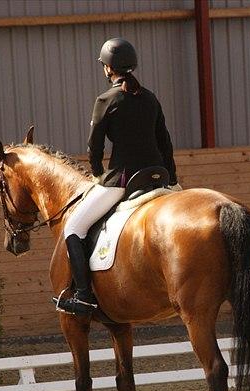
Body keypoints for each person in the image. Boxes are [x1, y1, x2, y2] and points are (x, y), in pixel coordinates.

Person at [56, 37, 178, 316]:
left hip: (123, 178)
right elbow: (165, 142)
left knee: (73, 228)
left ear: (108, 68)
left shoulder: (106, 99)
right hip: (157, 175)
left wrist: (99, 174)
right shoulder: (150, 98)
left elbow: (94, 146)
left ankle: (85, 296)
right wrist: (170, 177)